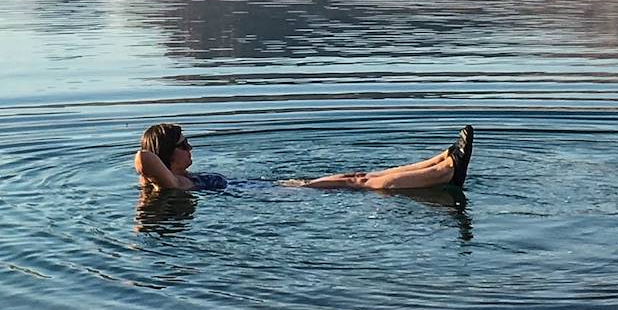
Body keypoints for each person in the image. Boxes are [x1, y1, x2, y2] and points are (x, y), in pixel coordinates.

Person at [134, 123, 474, 191]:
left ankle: (441, 160)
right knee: (359, 183)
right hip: (270, 196)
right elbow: (143, 158)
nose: (191, 148)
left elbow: (149, 163)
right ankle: (445, 174)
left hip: (262, 186)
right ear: (166, 156)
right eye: (184, 144)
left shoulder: (173, 180)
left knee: (355, 174)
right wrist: (154, 161)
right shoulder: (173, 184)